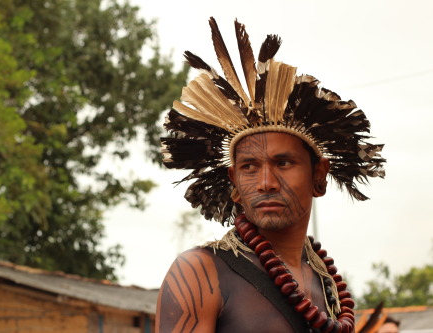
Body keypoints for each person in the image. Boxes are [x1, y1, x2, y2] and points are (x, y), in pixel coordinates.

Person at [156, 17, 386, 333]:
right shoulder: (201, 274)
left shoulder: (327, 282)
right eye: (249, 167)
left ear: (319, 176)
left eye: (284, 163)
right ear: (234, 184)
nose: (266, 183)